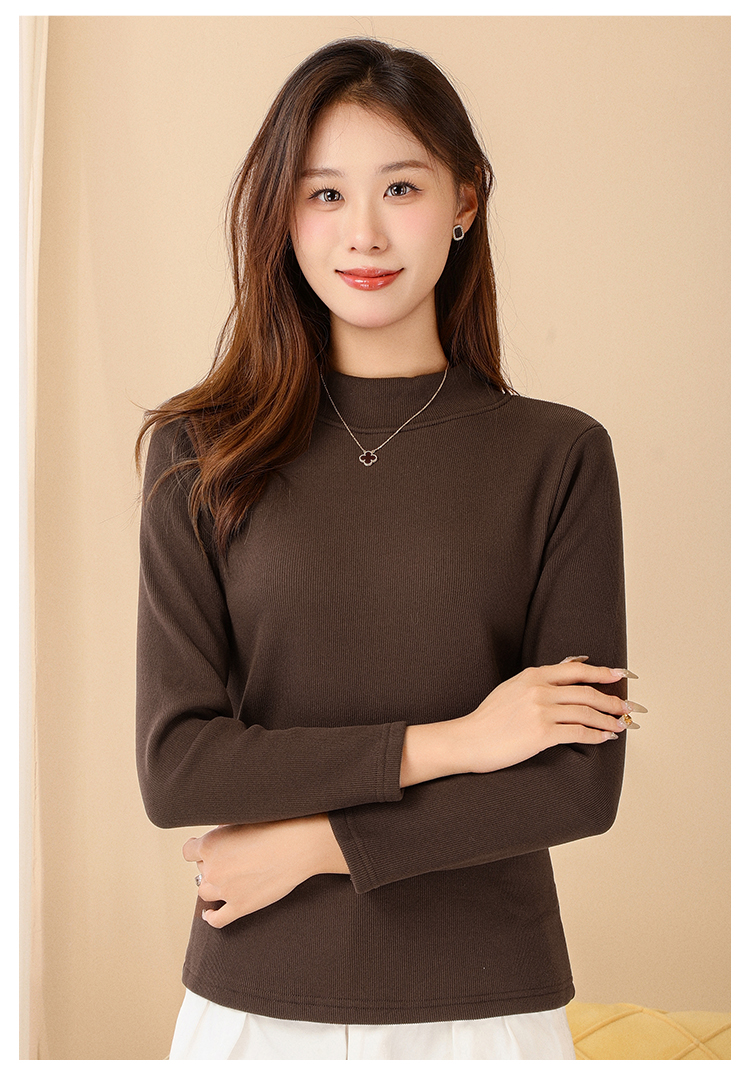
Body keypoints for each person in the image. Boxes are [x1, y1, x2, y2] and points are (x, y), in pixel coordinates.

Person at [135, 37, 641, 1061]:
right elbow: (179, 767)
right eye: (324, 194)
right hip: (254, 1012)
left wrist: (314, 845)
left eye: (400, 187)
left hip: (487, 1011)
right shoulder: (199, 451)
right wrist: (456, 742)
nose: (362, 232)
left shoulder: (559, 454)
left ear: (465, 199)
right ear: (283, 215)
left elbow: (576, 783)